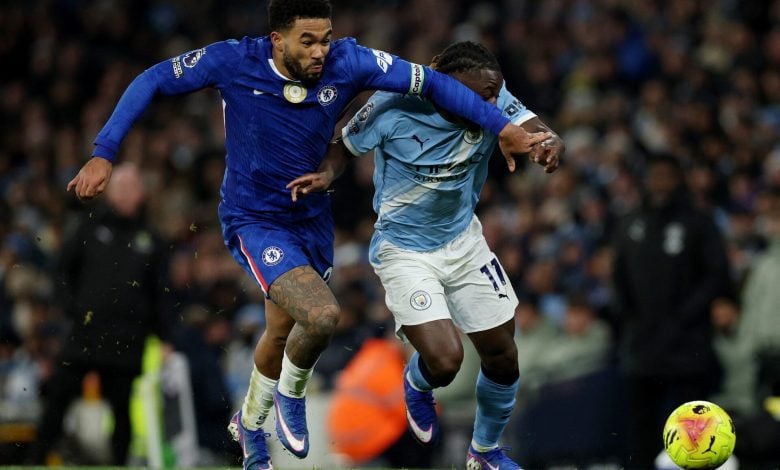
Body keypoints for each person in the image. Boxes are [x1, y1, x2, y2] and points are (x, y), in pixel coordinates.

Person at [65, 1, 552, 468]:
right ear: (277, 41)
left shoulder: (352, 60)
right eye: (308, 41)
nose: (321, 51)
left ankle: (249, 427)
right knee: (320, 316)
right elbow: (152, 79)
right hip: (255, 219)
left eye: (326, 39)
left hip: (310, 216)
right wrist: (105, 151)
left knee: (281, 332)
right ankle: (289, 397)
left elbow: (431, 84)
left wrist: (499, 124)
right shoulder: (234, 61)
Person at [288, 41, 564, 469]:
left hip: (463, 241)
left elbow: (534, 126)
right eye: (480, 97)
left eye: (495, 95)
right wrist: (326, 173)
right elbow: (343, 144)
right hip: (404, 251)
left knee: (503, 355)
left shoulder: (493, 94)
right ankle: (416, 381)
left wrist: (549, 143)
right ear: (445, 87)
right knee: (446, 359)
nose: (492, 105)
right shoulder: (392, 107)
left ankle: (485, 452)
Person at [30, 162, 171, 465]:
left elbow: (162, 293)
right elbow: (60, 270)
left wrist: (165, 337)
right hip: (85, 332)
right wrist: (71, 308)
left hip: (127, 338)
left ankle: (119, 463)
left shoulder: (153, 240)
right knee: (59, 398)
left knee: (121, 407)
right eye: (119, 187)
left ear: (141, 194)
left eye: (131, 188)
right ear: (109, 192)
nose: (125, 194)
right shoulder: (89, 226)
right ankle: (34, 459)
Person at [610, 154, 732, 469]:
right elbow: (618, 276)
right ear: (646, 180)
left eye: (667, 176)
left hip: (687, 347)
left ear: (679, 180)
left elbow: (716, 275)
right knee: (641, 429)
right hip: (641, 346)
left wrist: (685, 316)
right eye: (655, 176)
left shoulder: (699, 223)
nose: (660, 183)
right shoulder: (631, 222)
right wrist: (629, 317)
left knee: (694, 428)